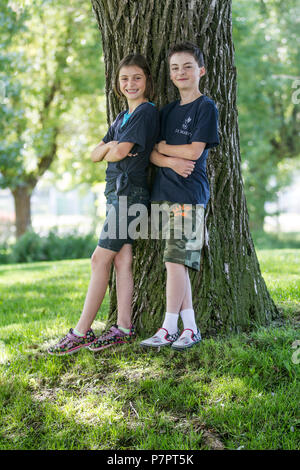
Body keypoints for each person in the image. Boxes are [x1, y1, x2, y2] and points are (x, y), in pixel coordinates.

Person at [48, 53, 159, 355]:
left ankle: (81, 332)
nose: (130, 83)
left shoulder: (146, 112)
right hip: (116, 194)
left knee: (99, 259)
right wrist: (110, 148)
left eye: (137, 77)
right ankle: (123, 328)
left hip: (129, 195)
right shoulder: (122, 117)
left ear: (147, 80)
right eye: (125, 78)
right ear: (117, 83)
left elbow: (118, 151)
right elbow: (95, 153)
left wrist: (112, 148)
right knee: (121, 260)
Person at [140, 42, 219, 351]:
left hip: (189, 194)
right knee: (178, 263)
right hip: (164, 194)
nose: (181, 72)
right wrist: (171, 159)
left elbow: (195, 151)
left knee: (173, 262)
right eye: (175, 68)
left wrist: (166, 149)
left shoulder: (205, 107)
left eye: (187, 66)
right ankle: (191, 329)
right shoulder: (168, 110)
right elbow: (152, 152)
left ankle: (168, 328)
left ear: (200, 71)